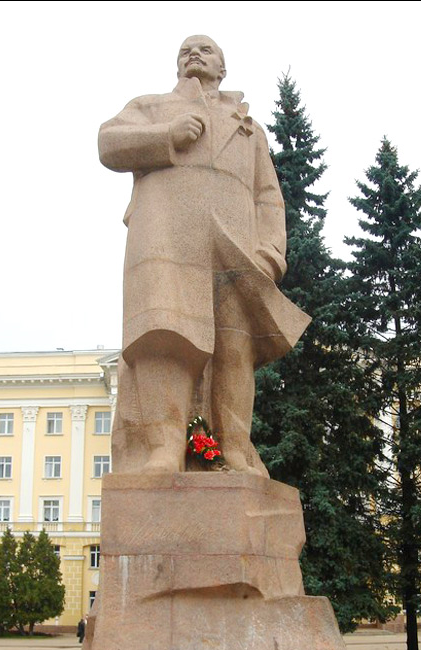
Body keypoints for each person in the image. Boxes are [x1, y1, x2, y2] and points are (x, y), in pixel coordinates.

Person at [99, 35, 309, 477]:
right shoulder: (152, 106)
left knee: (235, 345)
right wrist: (166, 136)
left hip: (234, 244)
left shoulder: (249, 128)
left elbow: (268, 196)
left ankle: (234, 448)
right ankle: (165, 448)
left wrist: (271, 253)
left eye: (206, 49)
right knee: (164, 334)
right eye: (185, 50)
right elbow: (108, 143)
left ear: (222, 68)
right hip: (165, 236)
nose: (194, 54)